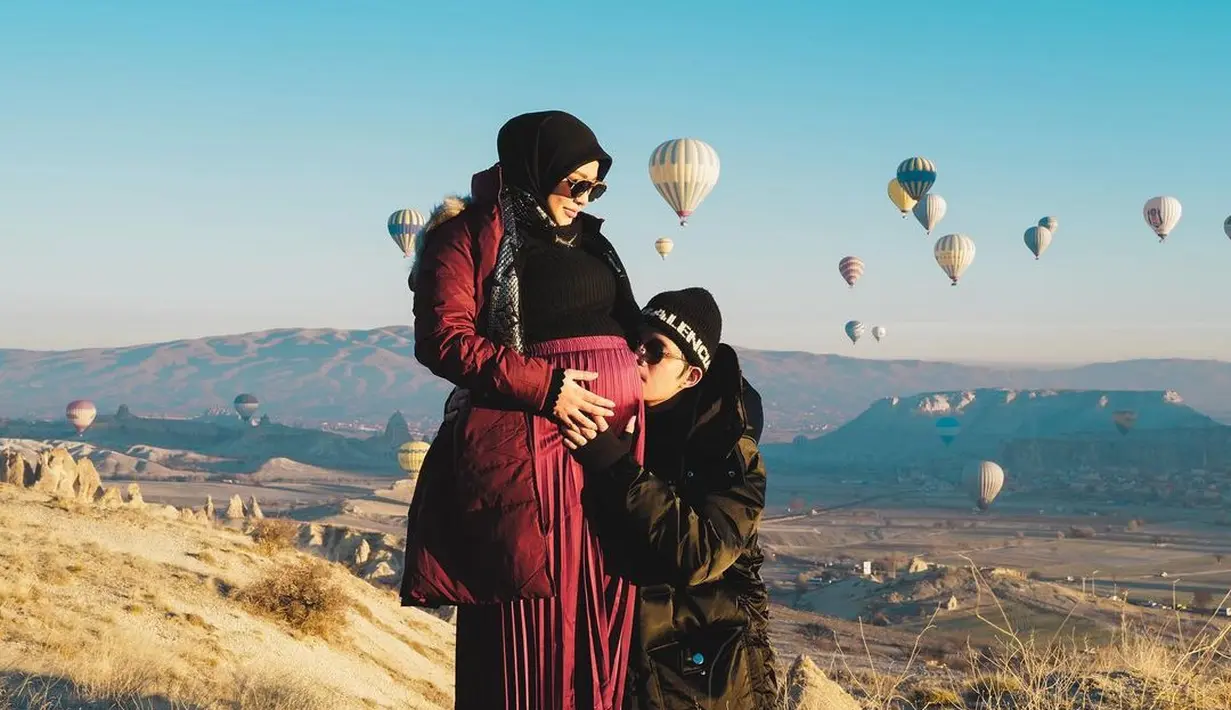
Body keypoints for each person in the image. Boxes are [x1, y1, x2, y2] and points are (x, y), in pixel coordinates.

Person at [399, 110, 644, 710]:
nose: (584, 199)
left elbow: (626, 324)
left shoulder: (592, 241)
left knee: (606, 609)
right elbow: (444, 339)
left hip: (608, 450)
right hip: (535, 452)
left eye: (596, 187)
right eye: (575, 185)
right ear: (534, 172)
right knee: (538, 618)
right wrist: (548, 389)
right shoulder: (469, 236)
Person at [562, 287, 780, 709]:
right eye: (635, 343)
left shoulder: (730, 449)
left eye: (657, 351)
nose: (638, 356)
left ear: (691, 374)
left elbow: (703, 552)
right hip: (622, 667)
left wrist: (616, 467)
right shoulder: (621, 422)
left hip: (706, 678)